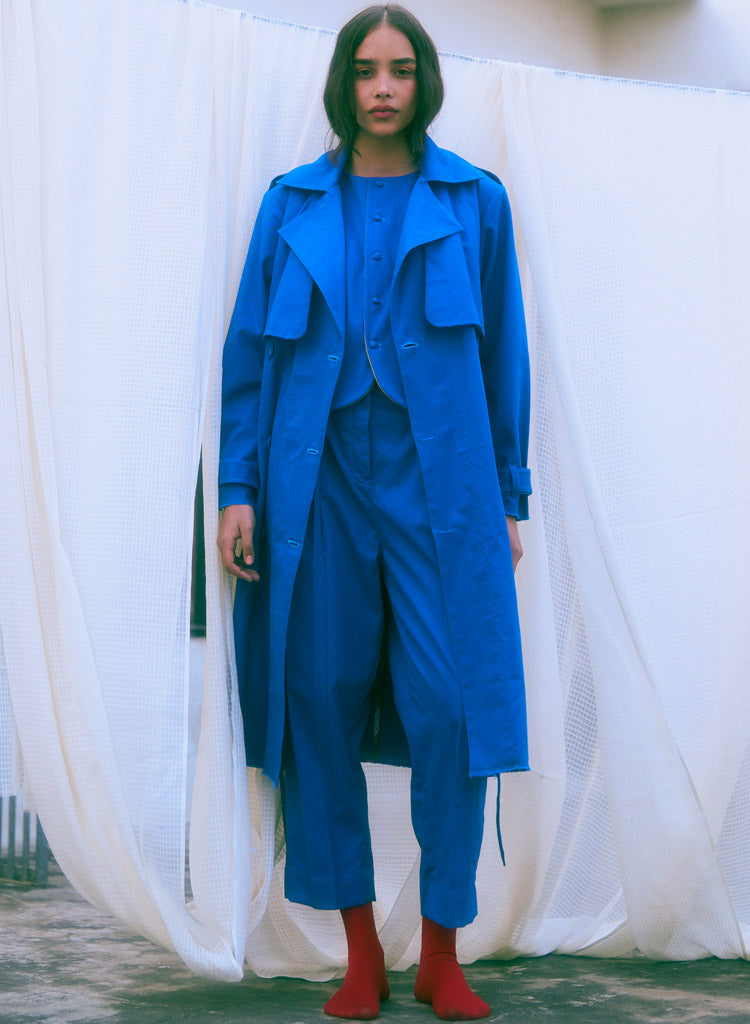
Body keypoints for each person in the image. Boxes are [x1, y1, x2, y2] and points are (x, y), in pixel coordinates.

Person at [218, 5, 531, 1019]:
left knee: (452, 707)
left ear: (424, 82)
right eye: (365, 70)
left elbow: (504, 356)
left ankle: (442, 950)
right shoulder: (290, 204)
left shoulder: (475, 202)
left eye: (400, 69)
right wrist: (238, 489)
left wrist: (509, 495)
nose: (384, 87)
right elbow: (247, 360)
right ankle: (361, 953)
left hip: (443, 488)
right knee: (318, 699)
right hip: (314, 488)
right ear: (344, 85)